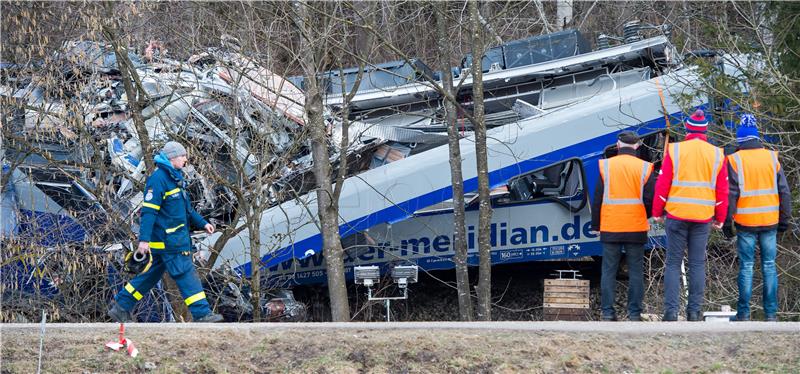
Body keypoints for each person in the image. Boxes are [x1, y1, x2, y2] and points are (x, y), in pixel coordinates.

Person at [108, 141, 223, 323]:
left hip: (169, 241)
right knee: (185, 274)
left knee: (149, 276)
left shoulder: (175, 178)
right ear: (172, 158)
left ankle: (121, 307)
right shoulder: (159, 179)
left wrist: (203, 224)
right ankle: (203, 314)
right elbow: (149, 212)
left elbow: (187, 210)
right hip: (170, 242)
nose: (186, 159)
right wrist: (143, 241)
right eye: (183, 156)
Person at [652, 109, 728, 322]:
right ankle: (694, 312)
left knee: (673, 262)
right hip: (702, 216)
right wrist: (720, 217)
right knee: (696, 264)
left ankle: (670, 312)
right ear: (705, 131)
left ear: (687, 130)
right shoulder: (716, 154)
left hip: (676, 214)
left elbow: (663, 183)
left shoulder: (675, 151)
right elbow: (722, 191)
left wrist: (657, 212)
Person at [725, 114, 793, 322]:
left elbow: (731, 194)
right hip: (770, 220)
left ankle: (744, 313)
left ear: (740, 139)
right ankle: (771, 314)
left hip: (746, 222)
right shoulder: (772, 158)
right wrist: (785, 219)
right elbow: (785, 192)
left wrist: (728, 223)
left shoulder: (734, 160)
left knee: (746, 266)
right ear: (757, 137)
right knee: (769, 265)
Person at [591, 131, 656, 321]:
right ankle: (634, 314)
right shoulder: (645, 168)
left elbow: (597, 198)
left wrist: (597, 224)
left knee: (608, 270)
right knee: (636, 271)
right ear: (637, 146)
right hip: (636, 226)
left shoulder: (606, 167)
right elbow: (650, 199)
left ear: (618, 145)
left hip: (611, 226)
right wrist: (646, 215)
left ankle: (607, 313)